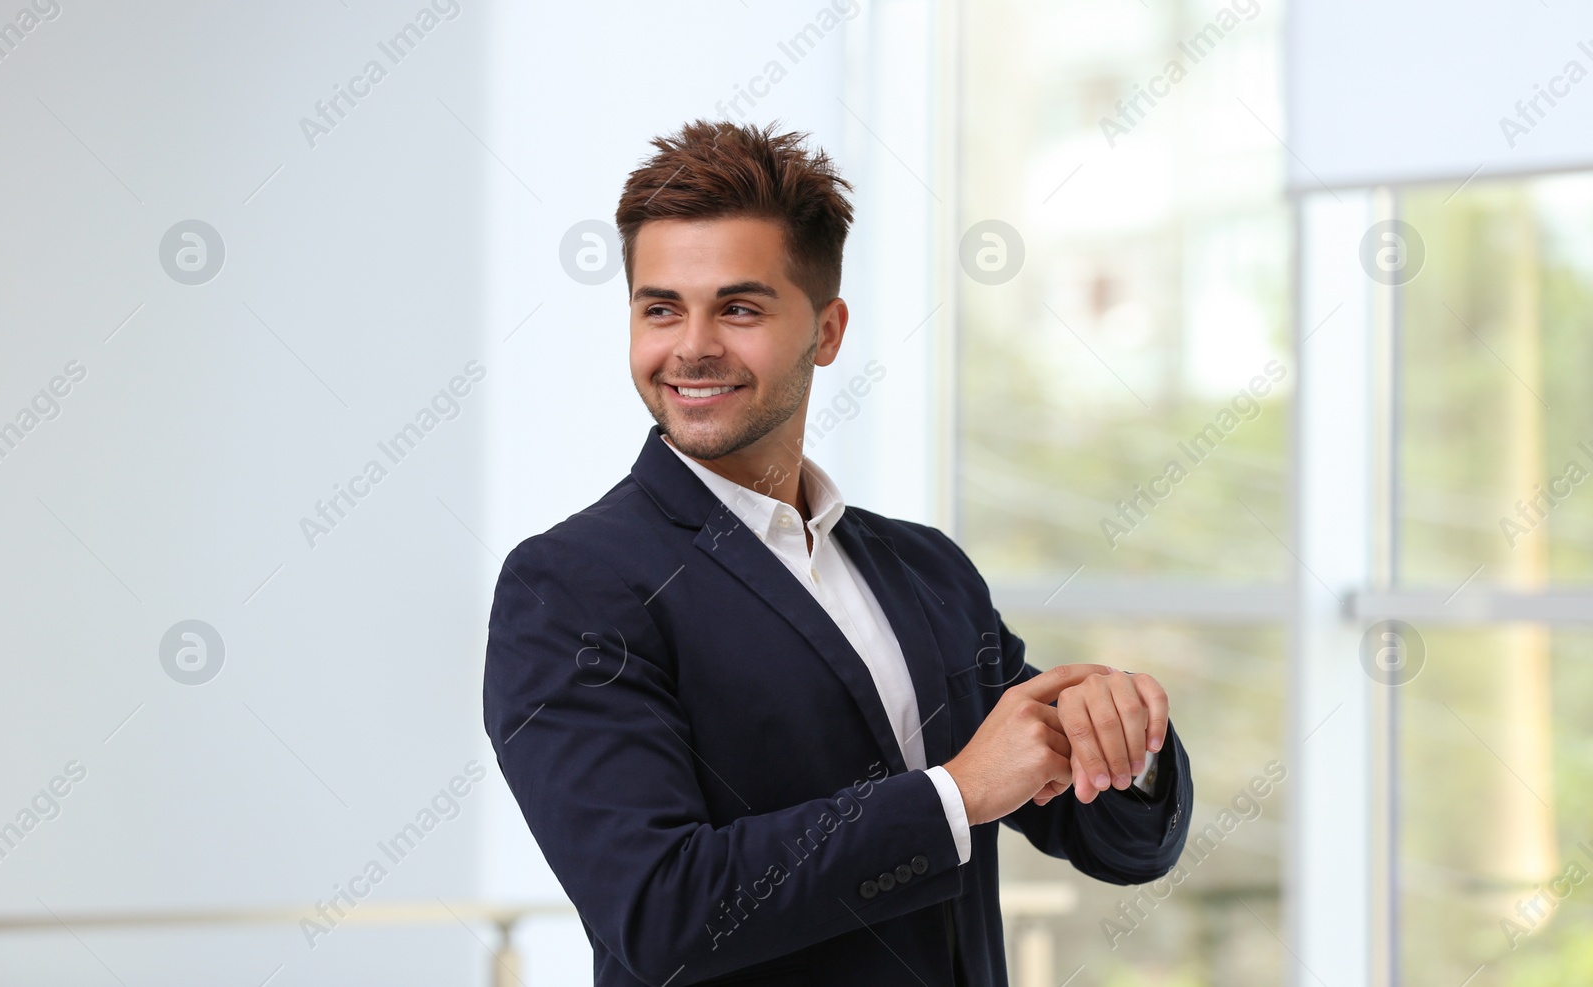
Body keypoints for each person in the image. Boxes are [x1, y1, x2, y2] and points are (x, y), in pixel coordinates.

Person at [482, 120, 1192, 987]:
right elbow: (660, 908)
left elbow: (1115, 842)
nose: (692, 345)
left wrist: (1120, 738)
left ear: (826, 330)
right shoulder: (570, 586)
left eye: (739, 307)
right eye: (660, 307)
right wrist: (956, 795)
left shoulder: (927, 571)